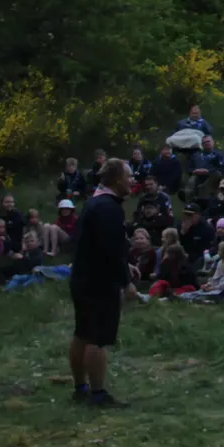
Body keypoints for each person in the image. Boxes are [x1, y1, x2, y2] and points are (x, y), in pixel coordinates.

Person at [69, 158, 137, 407]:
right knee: (98, 338)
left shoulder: (93, 203)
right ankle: (97, 395)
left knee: (82, 333)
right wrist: (126, 282)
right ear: (117, 179)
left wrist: (124, 264)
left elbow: (96, 244)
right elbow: (110, 250)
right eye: (129, 176)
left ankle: (80, 387)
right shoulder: (109, 208)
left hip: (82, 277)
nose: (132, 181)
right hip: (99, 282)